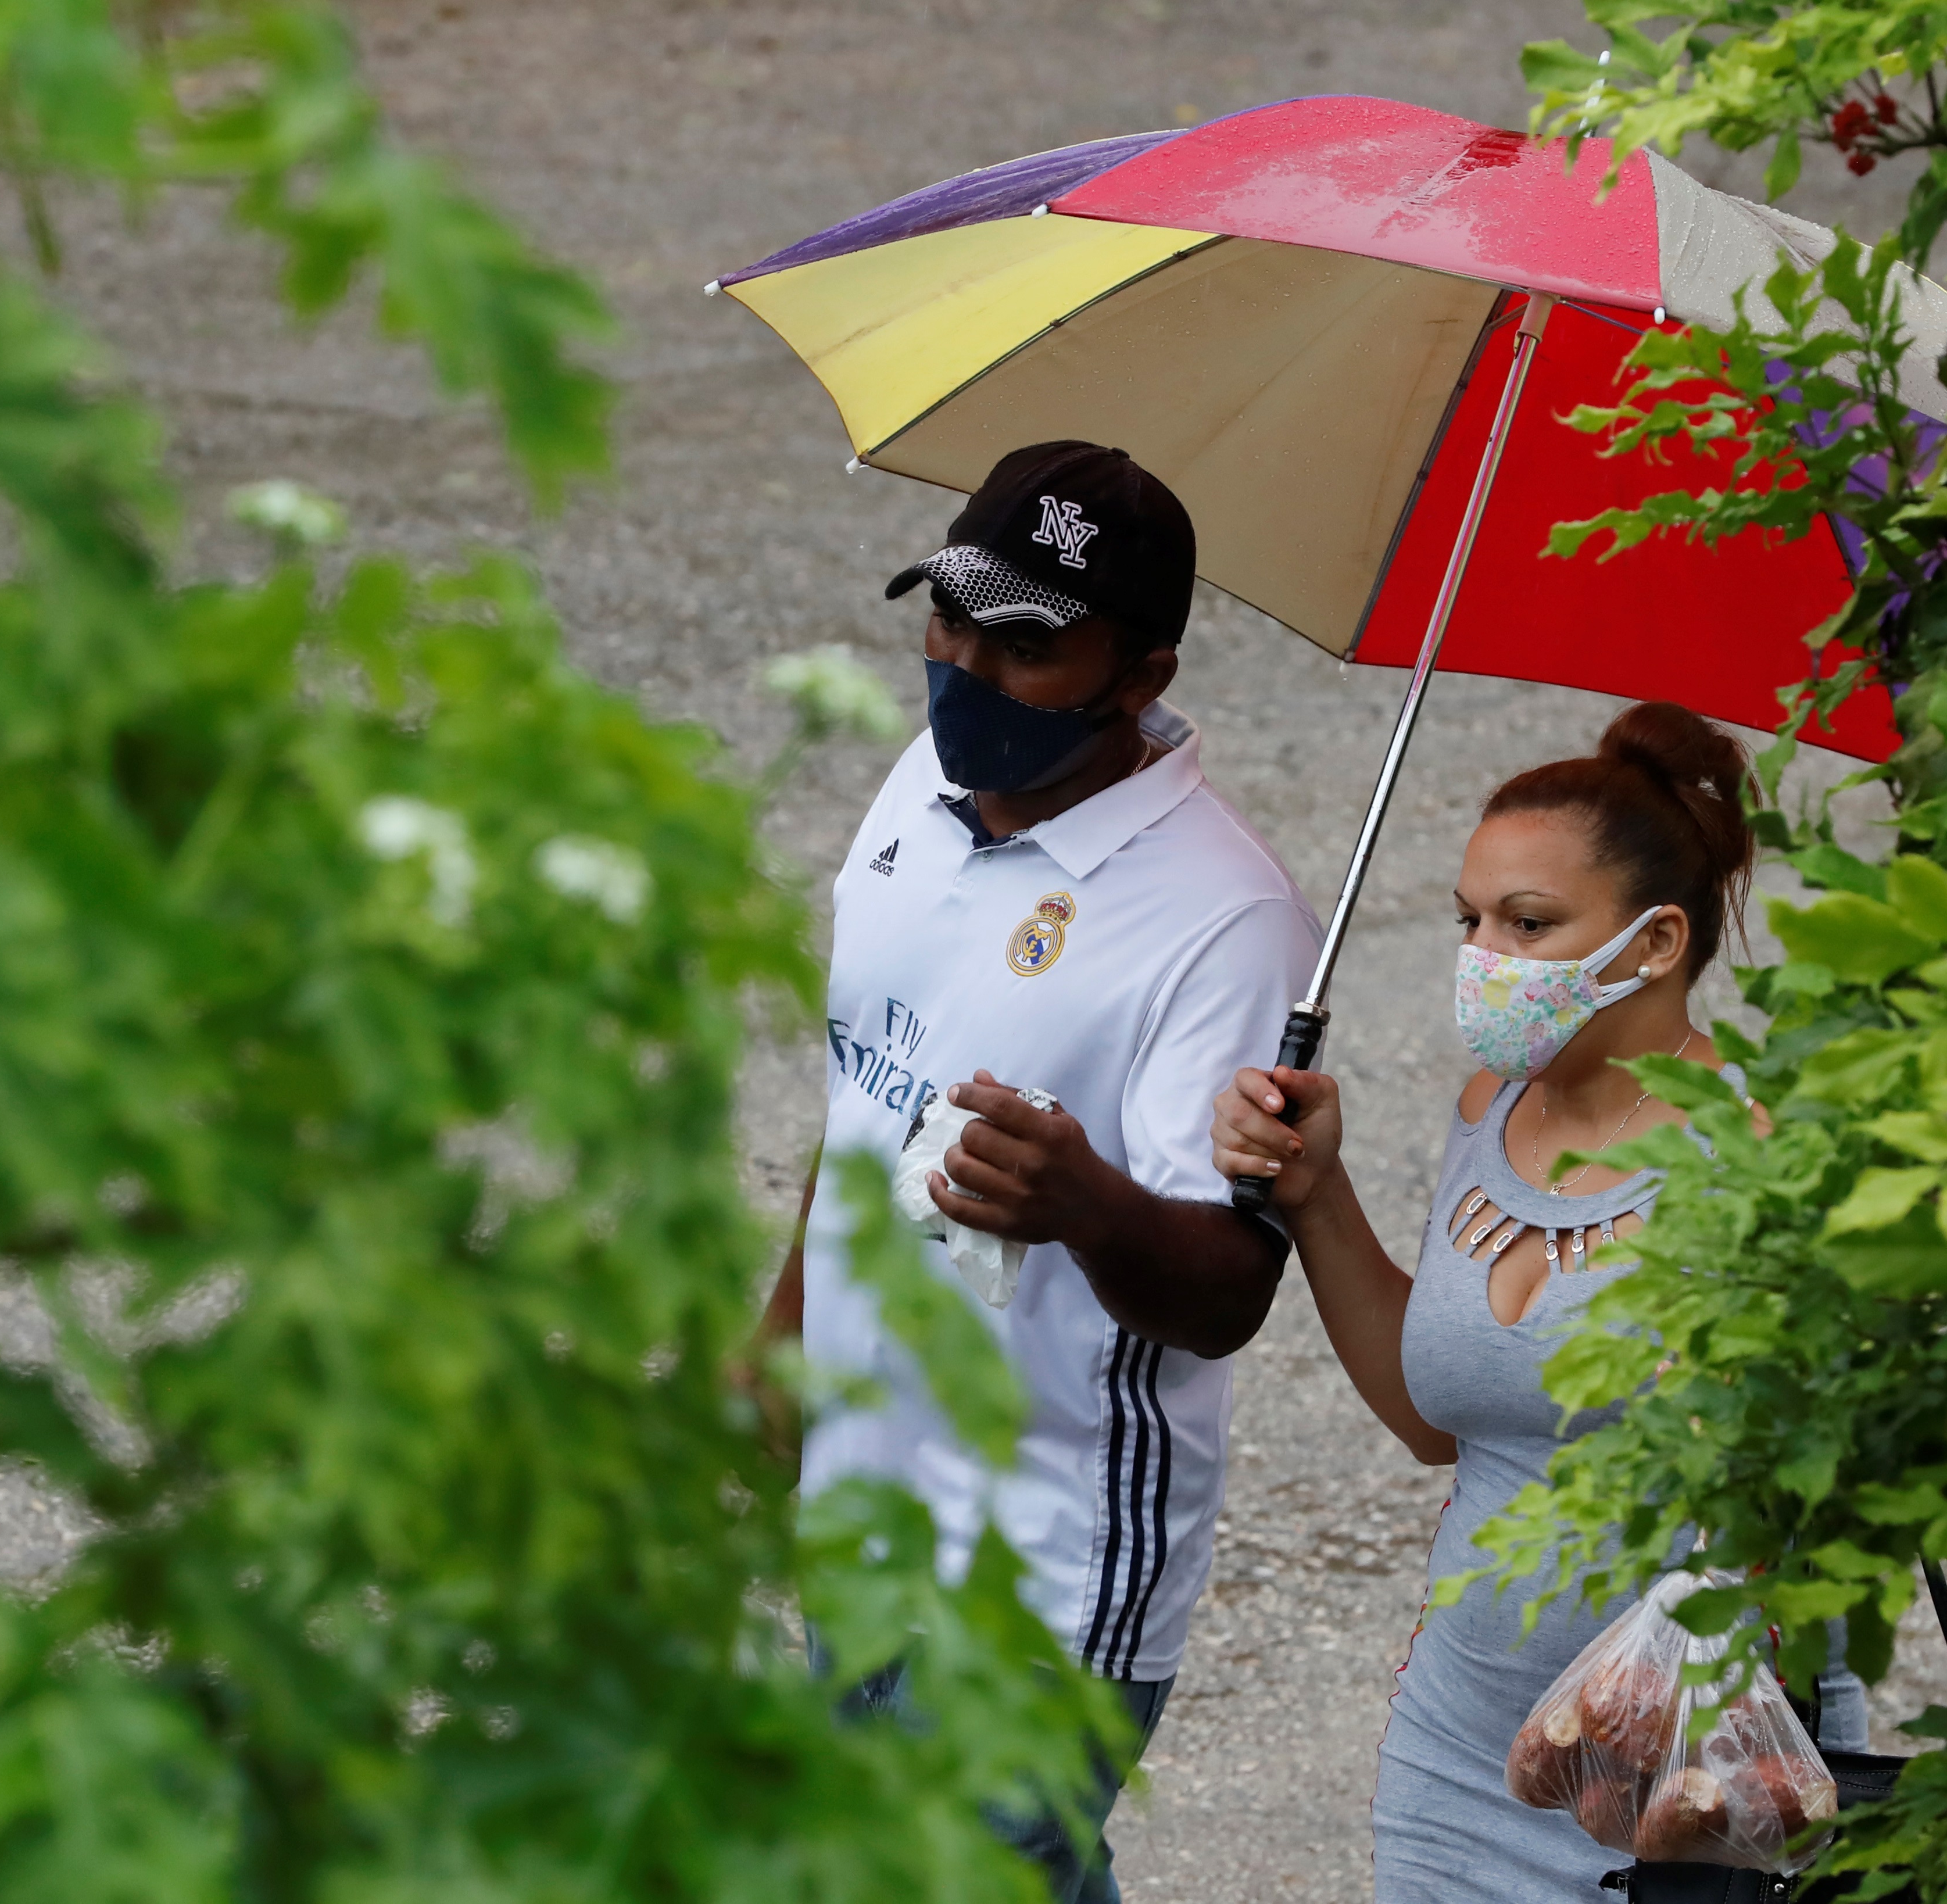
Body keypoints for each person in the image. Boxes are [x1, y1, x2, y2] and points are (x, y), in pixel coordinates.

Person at [762, 441, 1319, 1903]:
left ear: (1143, 675)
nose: (967, 671)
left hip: (1045, 1565)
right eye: (951, 620)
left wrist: (1082, 1204)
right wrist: (781, 1339)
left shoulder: (1226, 917)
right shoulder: (916, 786)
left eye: (1027, 648)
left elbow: (1224, 1297)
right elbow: (865, 1082)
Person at [1209, 702, 1870, 1903]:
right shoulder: (1487, 1110)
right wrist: (1317, 1194)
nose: (1484, 957)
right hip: (1460, 1761)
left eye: (1529, 923)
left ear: (1658, 942)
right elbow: (1431, 1421)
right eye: (1471, 919)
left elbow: (1826, 1491)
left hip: (1682, 1785)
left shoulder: (1764, 1161)